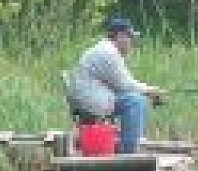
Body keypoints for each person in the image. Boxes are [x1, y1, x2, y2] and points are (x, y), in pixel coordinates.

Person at [66, 17, 165, 154]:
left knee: (133, 98)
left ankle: (128, 143)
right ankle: (129, 152)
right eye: (130, 37)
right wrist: (151, 91)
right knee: (136, 102)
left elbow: (121, 84)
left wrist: (148, 91)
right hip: (91, 103)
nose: (132, 42)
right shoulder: (108, 53)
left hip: (89, 100)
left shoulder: (104, 49)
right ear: (120, 36)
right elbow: (126, 85)